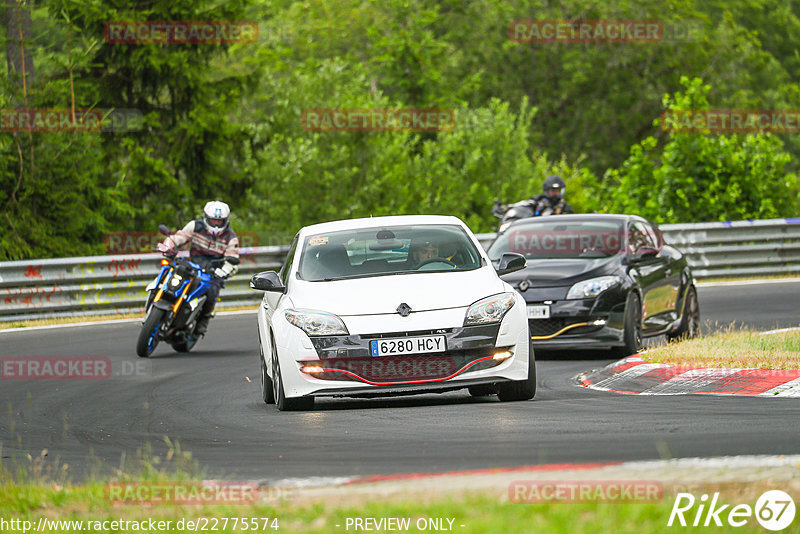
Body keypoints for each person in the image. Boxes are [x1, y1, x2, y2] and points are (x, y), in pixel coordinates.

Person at [157, 200, 240, 335]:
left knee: (212, 291)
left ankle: (203, 320)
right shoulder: (195, 226)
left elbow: (233, 260)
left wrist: (224, 271)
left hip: (214, 271)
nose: (216, 224)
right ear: (206, 218)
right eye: (213, 221)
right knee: (171, 273)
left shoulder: (231, 237)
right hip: (194, 264)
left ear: (226, 221)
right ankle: (159, 298)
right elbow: (180, 237)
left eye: (220, 221)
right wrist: (168, 246)